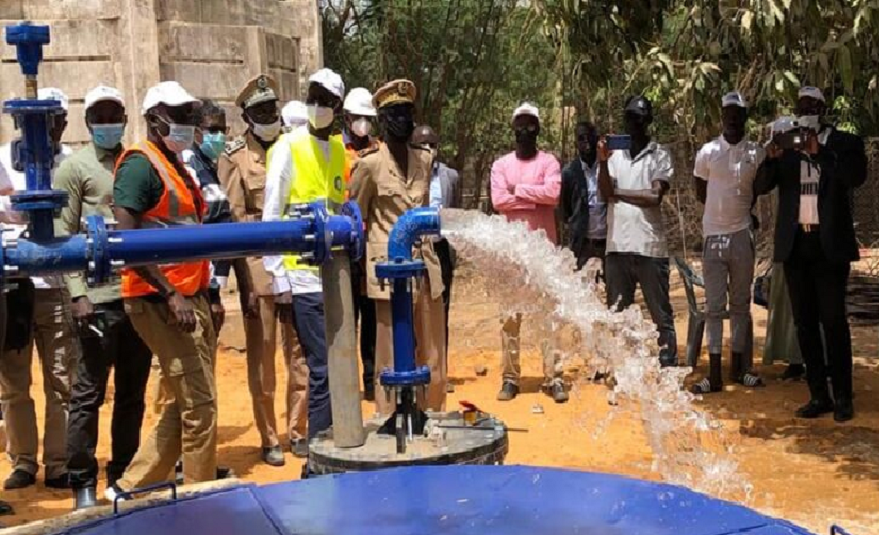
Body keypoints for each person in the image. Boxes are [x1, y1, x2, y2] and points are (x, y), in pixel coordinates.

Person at [106, 81, 216, 500]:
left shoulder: (177, 164)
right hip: (158, 300)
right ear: (155, 118)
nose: (189, 123)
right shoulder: (140, 165)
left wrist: (204, 293)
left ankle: (130, 489)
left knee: (188, 401)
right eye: (181, 115)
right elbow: (127, 239)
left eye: (190, 115)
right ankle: (202, 501)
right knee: (200, 406)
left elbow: (190, 234)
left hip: (189, 297)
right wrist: (170, 292)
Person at [53, 86, 152, 509]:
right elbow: (63, 234)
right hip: (96, 298)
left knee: (133, 393)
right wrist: (77, 293)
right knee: (88, 393)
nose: (109, 121)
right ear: (89, 121)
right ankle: (83, 481)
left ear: (125, 117)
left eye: (115, 114)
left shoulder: (136, 164)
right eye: (101, 115)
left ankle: (123, 474)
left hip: (136, 295)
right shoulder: (75, 168)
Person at [755, 87, 867, 422]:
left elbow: (855, 176)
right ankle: (819, 395)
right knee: (804, 324)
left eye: (812, 106)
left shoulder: (845, 143)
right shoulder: (787, 147)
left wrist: (819, 154)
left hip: (828, 245)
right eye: (801, 106)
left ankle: (843, 397)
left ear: (823, 109)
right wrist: (771, 157)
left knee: (833, 322)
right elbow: (761, 186)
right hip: (795, 245)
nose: (806, 111)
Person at [219, 75, 307, 463]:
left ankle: (299, 430)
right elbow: (234, 223)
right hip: (259, 268)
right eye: (260, 111)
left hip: (297, 261)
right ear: (247, 117)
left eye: (272, 108)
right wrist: (245, 284)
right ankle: (269, 436)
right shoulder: (234, 156)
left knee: (300, 354)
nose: (269, 115)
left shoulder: (295, 146)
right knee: (264, 356)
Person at [349, 79, 448, 415]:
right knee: (389, 353)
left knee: (431, 351)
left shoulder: (425, 159)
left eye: (408, 113)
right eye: (395, 114)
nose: (403, 120)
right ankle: (388, 419)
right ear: (383, 119)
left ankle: (432, 416)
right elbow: (356, 219)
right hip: (388, 273)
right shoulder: (369, 165)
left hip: (425, 267)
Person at [263, 68, 347, 440]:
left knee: (338, 361)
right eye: (312, 97)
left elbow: (339, 206)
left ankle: (334, 436)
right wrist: (278, 276)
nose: (316, 105)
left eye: (324, 100)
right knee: (321, 366)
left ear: (337, 106)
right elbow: (271, 214)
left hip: (333, 275)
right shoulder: (288, 147)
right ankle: (317, 445)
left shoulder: (339, 148)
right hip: (301, 277)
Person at [0, 87, 77, 490]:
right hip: (14, 287)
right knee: (14, 382)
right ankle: (24, 461)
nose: (53, 126)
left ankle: (59, 462)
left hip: (58, 286)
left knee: (62, 378)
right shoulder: (1, 160)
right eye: (45, 119)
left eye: (58, 118)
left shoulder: (71, 162)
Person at [489, 102, 567, 403]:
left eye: (530, 124)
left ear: (538, 128)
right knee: (509, 319)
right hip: (512, 255)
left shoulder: (549, 162)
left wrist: (518, 191)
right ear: (513, 128)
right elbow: (498, 200)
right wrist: (535, 197)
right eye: (520, 123)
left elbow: (553, 195)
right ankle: (510, 378)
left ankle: (554, 377)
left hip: (543, 253)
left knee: (549, 317)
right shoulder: (500, 165)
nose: (525, 129)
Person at [690, 92, 765, 393]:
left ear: (745, 117)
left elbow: (758, 187)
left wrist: (742, 213)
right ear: (722, 116)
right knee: (714, 307)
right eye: (728, 113)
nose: (733, 118)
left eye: (738, 113)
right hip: (714, 236)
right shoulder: (707, 152)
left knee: (740, 304)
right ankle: (715, 374)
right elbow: (700, 191)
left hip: (742, 235)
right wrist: (719, 214)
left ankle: (739, 369)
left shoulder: (756, 154)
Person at [597, 95, 677, 368]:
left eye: (640, 118)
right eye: (630, 117)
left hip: (650, 247)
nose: (635, 123)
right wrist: (603, 162)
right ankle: (623, 369)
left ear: (649, 121)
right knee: (618, 313)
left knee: (660, 314)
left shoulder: (661, 154)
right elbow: (604, 192)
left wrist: (618, 193)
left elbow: (654, 196)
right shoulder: (614, 157)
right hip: (617, 245)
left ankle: (667, 365)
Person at [342, 87, 379, 400]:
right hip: (344, 245)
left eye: (368, 118)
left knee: (371, 315)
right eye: (358, 118)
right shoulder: (336, 150)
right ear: (347, 118)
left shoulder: (379, 150)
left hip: (371, 246)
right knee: (346, 315)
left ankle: (371, 378)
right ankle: (347, 381)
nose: (363, 124)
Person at [412, 125, 459, 356]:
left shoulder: (450, 176)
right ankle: (417, 362)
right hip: (415, 250)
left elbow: (455, 211)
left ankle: (441, 367)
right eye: (422, 145)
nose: (428, 149)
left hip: (440, 249)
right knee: (415, 308)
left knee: (442, 309)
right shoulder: (406, 175)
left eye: (432, 144)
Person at [560, 121, 607, 273]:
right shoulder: (569, 173)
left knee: (613, 289)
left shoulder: (609, 167)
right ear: (576, 142)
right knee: (580, 291)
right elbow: (565, 211)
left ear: (597, 139)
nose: (586, 141)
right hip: (582, 245)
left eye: (590, 136)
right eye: (581, 138)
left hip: (609, 243)